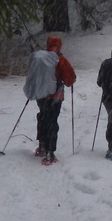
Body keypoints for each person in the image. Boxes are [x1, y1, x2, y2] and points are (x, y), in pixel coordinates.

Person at [23, 35, 76, 165]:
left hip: (41, 95)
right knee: (52, 121)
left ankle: (42, 145)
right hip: (55, 95)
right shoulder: (60, 59)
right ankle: (50, 152)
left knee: (42, 117)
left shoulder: (40, 58)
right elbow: (69, 80)